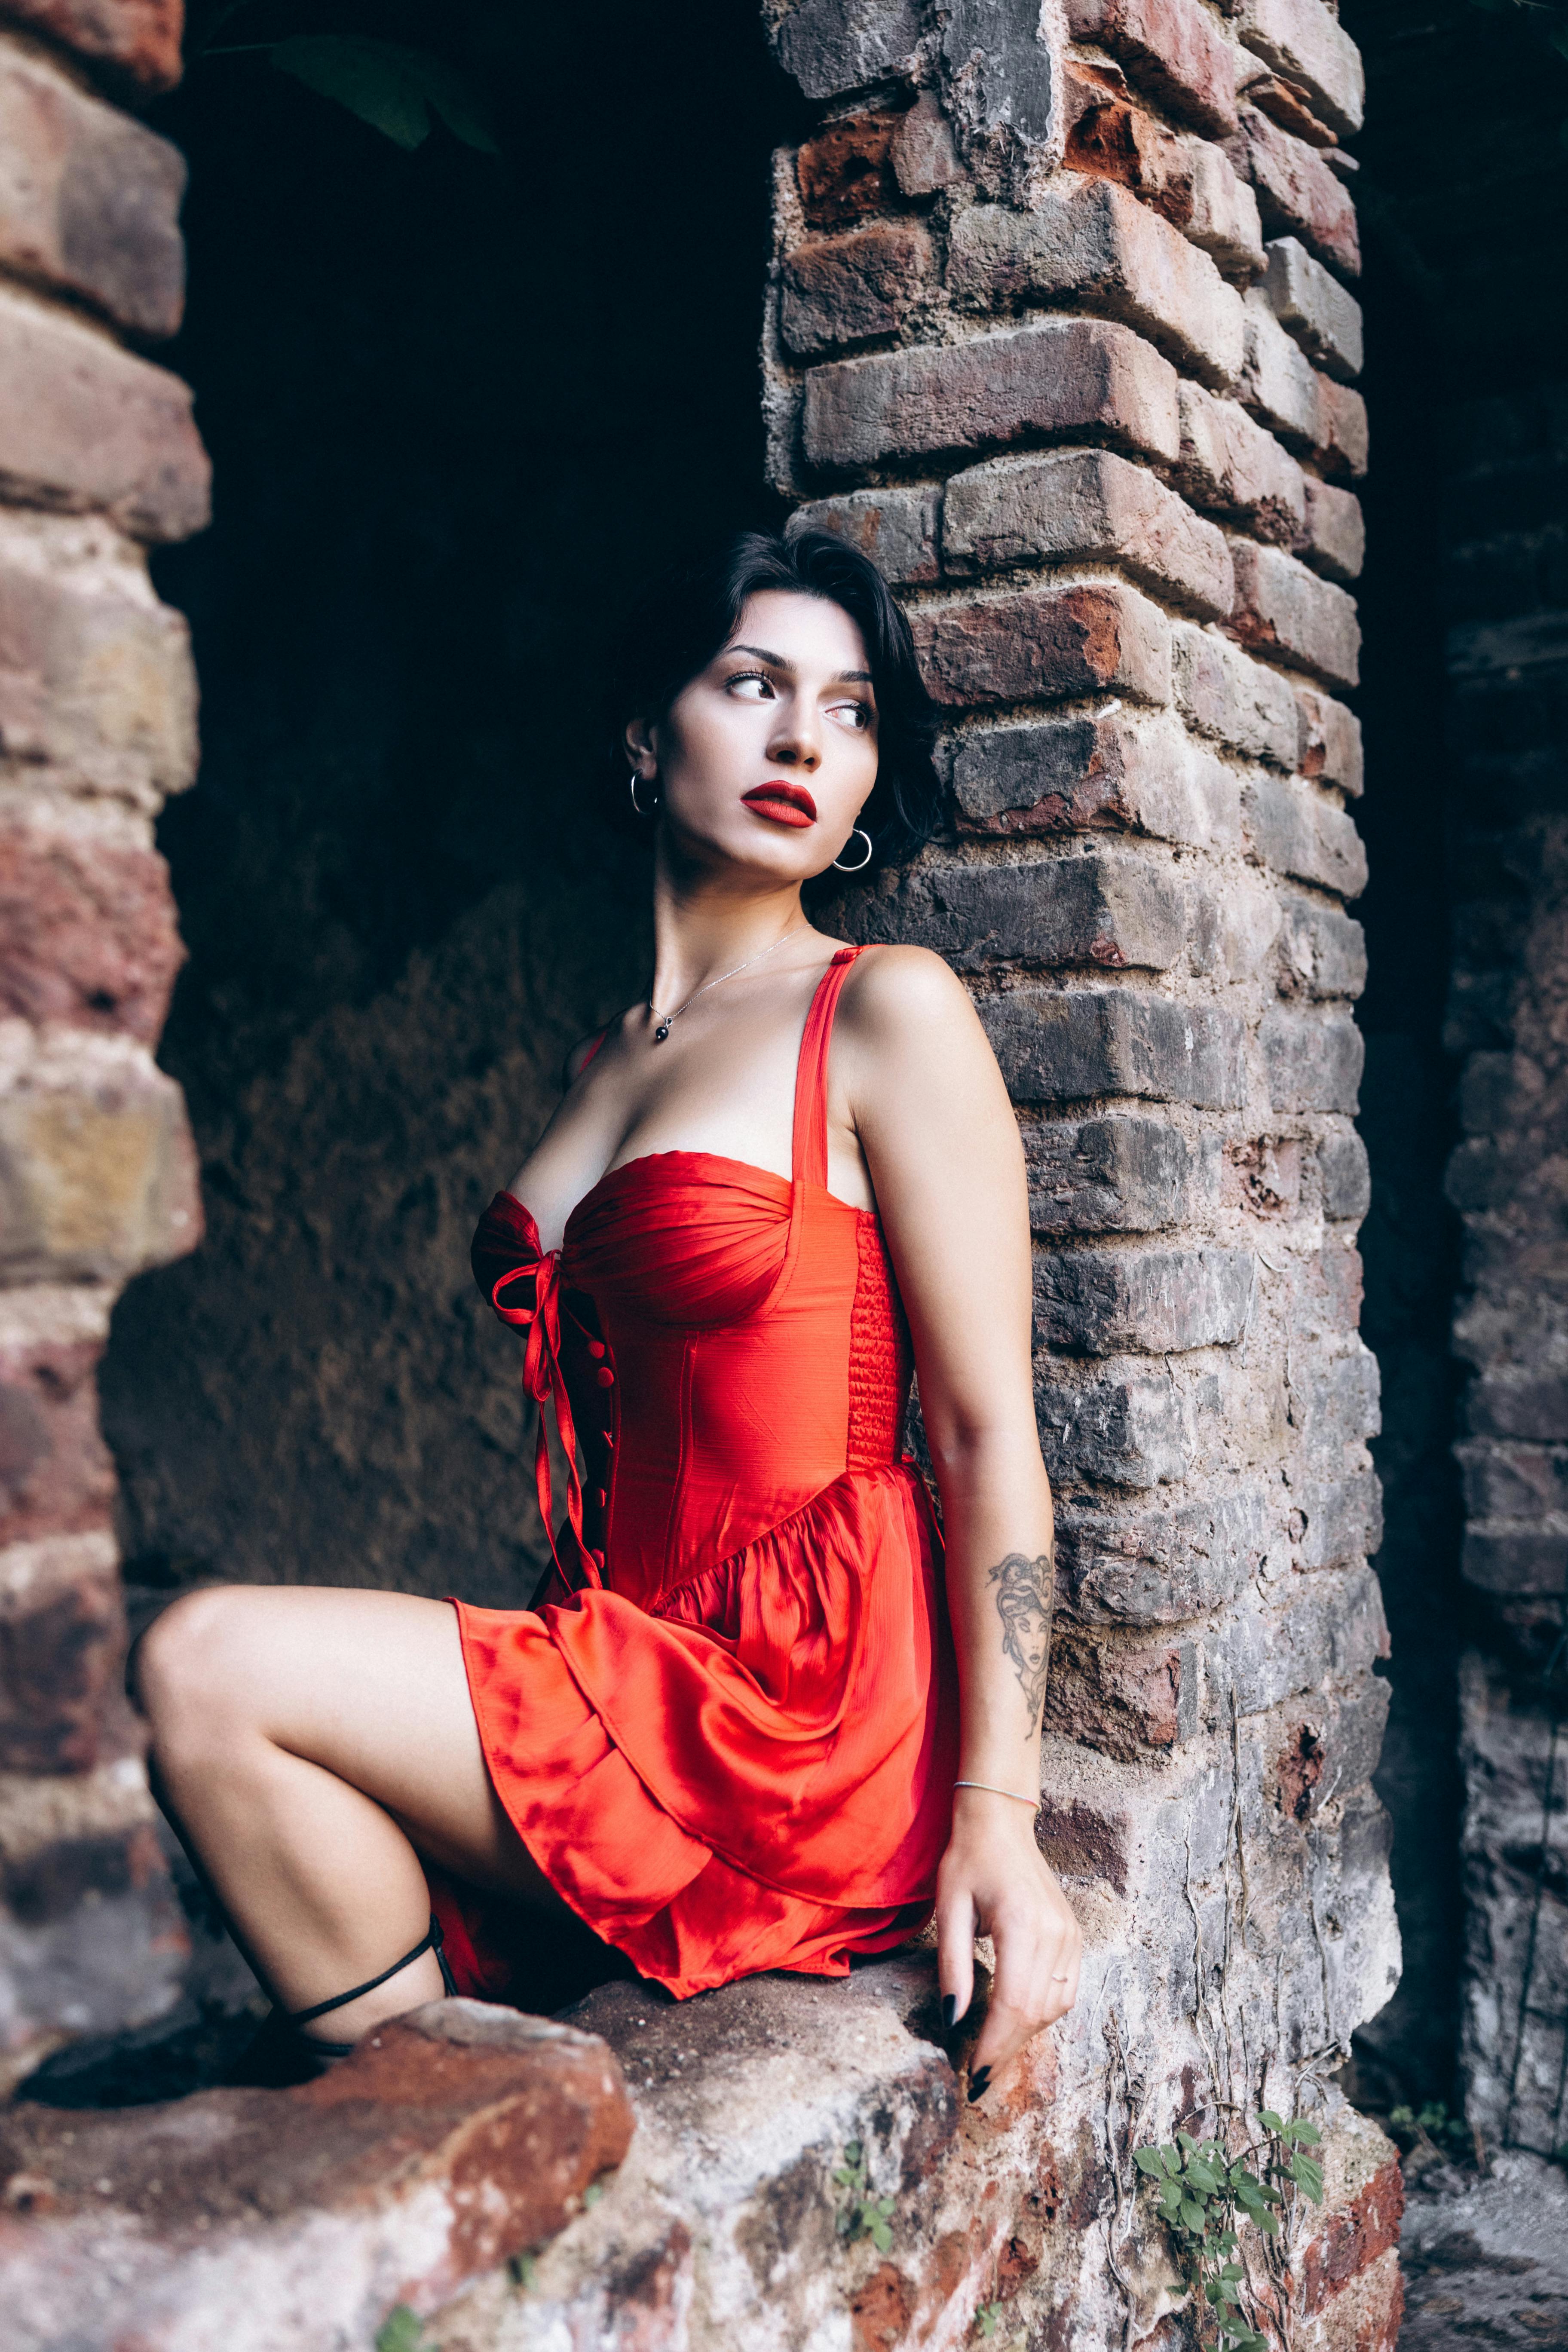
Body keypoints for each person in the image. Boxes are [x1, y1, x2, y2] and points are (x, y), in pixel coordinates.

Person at [135, 528, 1081, 2098]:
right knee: (266, 1791)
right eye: (753, 684)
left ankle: (439, 2140)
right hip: (626, 1655)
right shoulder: (602, 1063)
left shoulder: (884, 1007)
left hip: (794, 1712)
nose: (802, 740)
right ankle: (459, 2148)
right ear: (648, 738)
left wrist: (1004, 1815)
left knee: (208, 1665)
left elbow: (987, 1434)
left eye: (850, 713)